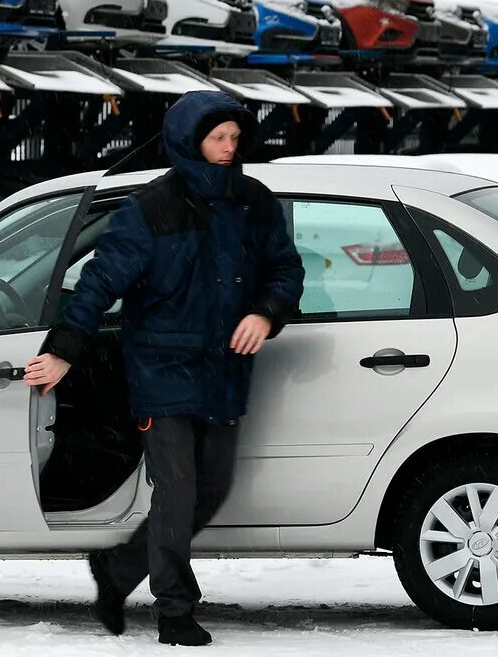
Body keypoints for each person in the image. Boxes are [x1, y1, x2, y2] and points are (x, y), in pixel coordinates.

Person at [24, 90, 305, 647]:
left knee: (213, 486)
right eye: (216, 138)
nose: (228, 148)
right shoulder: (151, 208)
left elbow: (286, 272)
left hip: (225, 370)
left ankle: (119, 569)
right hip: (160, 368)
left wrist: (266, 313)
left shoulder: (256, 203)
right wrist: (63, 350)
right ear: (189, 140)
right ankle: (174, 610)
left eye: (233, 138)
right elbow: (99, 284)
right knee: (176, 489)